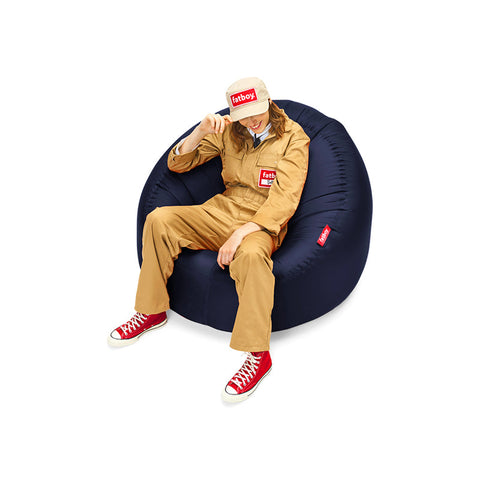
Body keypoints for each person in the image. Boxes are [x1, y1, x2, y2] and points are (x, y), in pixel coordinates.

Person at [107, 77, 310, 402]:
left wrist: (241, 234)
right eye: (243, 115)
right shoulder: (231, 130)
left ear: (269, 103)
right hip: (223, 209)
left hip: (262, 223)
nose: (252, 121)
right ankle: (151, 311)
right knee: (159, 219)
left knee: (251, 257)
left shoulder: (294, 138)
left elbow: (285, 200)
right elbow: (178, 163)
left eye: (256, 112)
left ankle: (258, 355)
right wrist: (200, 131)